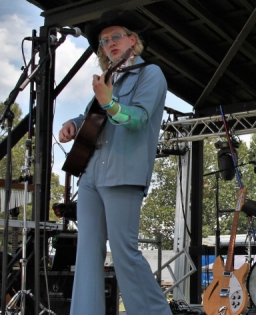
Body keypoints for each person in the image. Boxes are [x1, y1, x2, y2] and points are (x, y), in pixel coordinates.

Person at [58, 11, 171, 315]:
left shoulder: (151, 73)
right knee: (87, 254)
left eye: (116, 36)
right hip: (92, 173)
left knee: (124, 253)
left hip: (123, 173)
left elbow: (137, 119)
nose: (109, 44)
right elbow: (95, 120)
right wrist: (73, 122)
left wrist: (109, 102)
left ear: (133, 41)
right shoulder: (108, 78)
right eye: (104, 41)